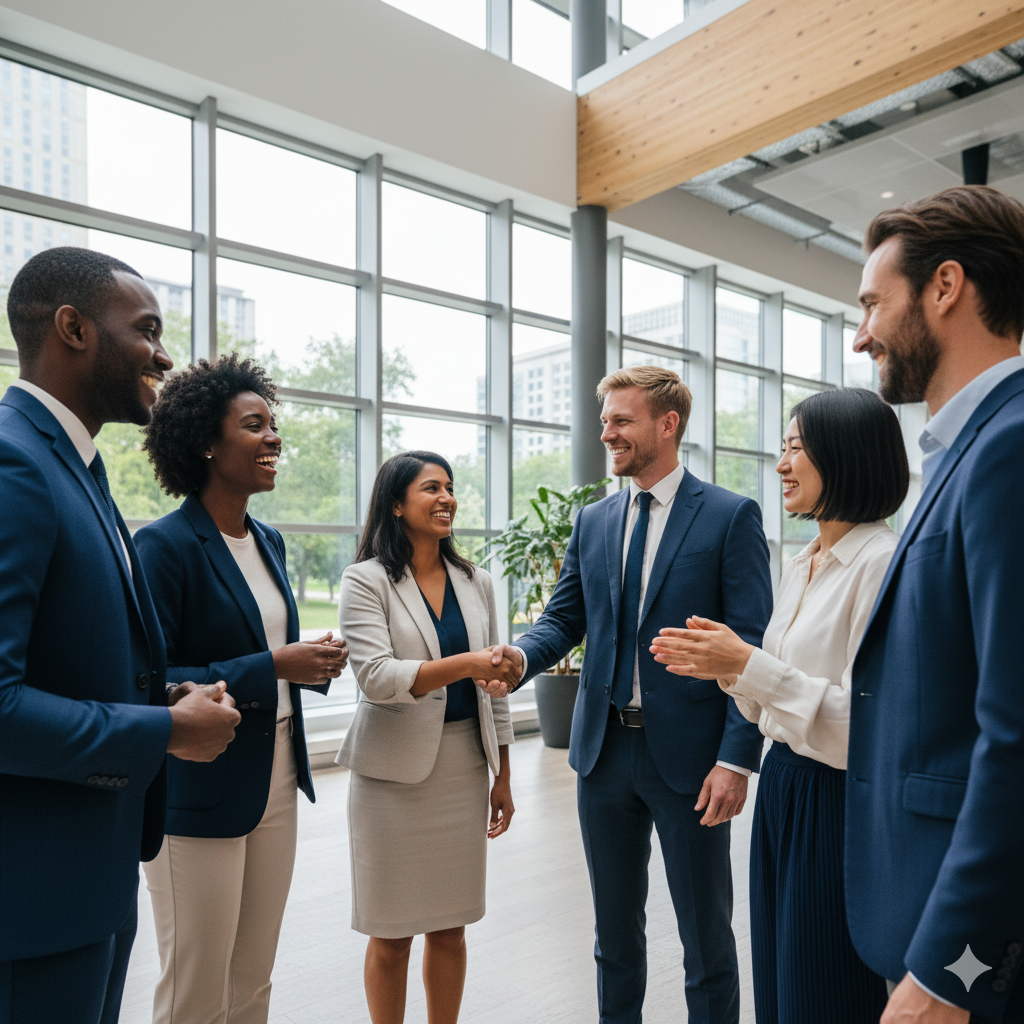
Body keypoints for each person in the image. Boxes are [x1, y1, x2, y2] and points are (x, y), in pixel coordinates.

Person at [487, 366, 773, 1024]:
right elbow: (564, 620)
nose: (605, 432)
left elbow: (751, 644)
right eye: (605, 420)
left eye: (621, 420)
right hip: (603, 753)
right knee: (614, 941)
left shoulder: (730, 518)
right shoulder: (594, 522)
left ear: (666, 424)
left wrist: (736, 759)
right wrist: (522, 656)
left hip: (693, 761)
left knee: (706, 940)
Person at [0, 248, 239, 1024]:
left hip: (89, 880)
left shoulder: (78, 467)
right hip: (30, 903)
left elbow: (62, 656)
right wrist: (164, 728)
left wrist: (163, 691)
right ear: (72, 328)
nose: (164, 355)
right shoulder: (15, 463)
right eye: (146, 329)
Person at [651, 387, 908, 1023]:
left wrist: (745, 665)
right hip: (786, 787)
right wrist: (730, 669)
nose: (782, 464)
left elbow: (870, 726)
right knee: (781, 980)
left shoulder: (880, 564)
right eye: (782, 448)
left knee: (822, 990)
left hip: (841, 801)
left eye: (796, 448)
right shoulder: (804, 562)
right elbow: (771, 698)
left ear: (845, 455)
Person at [845, 185, 1024, 1024]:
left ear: (945, 287)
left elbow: (1016, 731)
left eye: (874, 303)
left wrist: (956, 967)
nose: (861, 334)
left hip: (965, 956)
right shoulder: (972, 448)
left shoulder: (1009, 448)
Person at [133, 354, 349, 1024]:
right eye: (254, 425)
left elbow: (265, 649)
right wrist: (274, 665)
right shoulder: (164, 548)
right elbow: (150, 680)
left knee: (253, 980)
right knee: (196, 987)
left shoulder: (270, 540)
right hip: (197, 788)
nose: (274, 437)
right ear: (206, 442)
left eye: (272, 423)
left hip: (275, 775)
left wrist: (309, 662)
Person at [337, 451, 517, 1024]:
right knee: (390, 936)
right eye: (430, 488)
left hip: (464, 766)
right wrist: (465, 663)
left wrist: (503, 772)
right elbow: (375, 677)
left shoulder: (477, 581)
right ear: (396, 503)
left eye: (450, 488)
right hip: (390, 780)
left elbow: (498, 686)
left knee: (451, 927)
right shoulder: (365, 580)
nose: (446, 498)